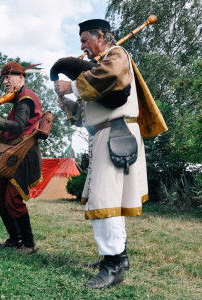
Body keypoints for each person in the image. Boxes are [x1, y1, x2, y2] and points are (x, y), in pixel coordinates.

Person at [54, 19, 150, 289]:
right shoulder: (99, 67)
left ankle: (113, 266)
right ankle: (119, 256)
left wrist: (71, 86)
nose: (82, 45)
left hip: (116, 134)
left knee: (104, 200)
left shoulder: (116, 55)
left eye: (85, 39)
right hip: (105, 135)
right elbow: (88, 115)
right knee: (111, 201)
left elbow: (109, 77)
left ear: (100, 37)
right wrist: (69, 103)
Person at [0, 61, 43, 254]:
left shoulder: (25, 97)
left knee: (14, 201)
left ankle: (29, 244)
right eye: (4, 78)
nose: (5, 81)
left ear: (21, 77)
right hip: (12, 154)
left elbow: (18, 127)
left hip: (23, 153)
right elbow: (15, 125)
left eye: (8, 77)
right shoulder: (19, 98)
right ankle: (15, 239)